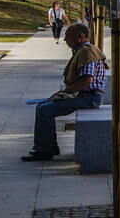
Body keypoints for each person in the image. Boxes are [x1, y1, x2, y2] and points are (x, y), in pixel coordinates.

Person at [23, 24, 107, 161]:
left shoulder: (87, 52)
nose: (64, 40)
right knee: (42, 106)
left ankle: (44, 151)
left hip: (89, 97)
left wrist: (66, 91)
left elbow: (87, 80)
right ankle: (49, 146)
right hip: (82, 95)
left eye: (67, 36)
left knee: (45, 111)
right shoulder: (82, 51)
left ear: (79, 37)